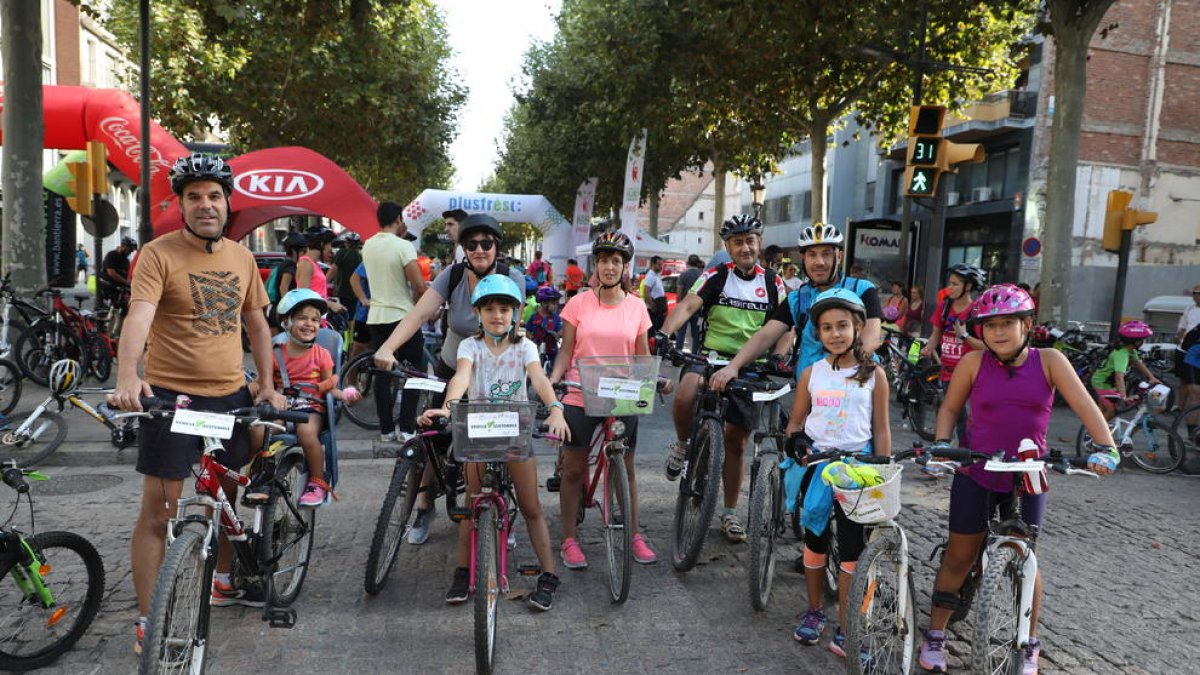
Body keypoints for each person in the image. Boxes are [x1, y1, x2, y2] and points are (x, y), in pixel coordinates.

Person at [108, 153, 285, 655]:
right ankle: (149, 618)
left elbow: (256, 325)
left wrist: (268, 385)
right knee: (159, 512)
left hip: (230, 394)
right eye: (194, 197)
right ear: (180, 204)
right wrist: (128, 377)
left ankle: (225, 577)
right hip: (172, 397)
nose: (205, 205)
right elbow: (139, 317)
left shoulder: (243, 258)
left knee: (223, 494)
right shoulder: (158, 254)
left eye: (213, 195)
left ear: (227, 201)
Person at [918, 284, 1120, 675]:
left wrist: (1106, 447)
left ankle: (1029, 643)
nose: (998, 332)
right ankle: (936, 635)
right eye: (989, 325)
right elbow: (950, 408)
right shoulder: (973, 364)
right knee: (960, 554)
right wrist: (942, 445)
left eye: (1007, 323)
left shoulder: (1050, 361)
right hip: (978, 469)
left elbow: (1085, 405)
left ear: (1027, 325)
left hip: (1029, 473)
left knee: (1026, 557)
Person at [418, 273, 568, 610]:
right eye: (489, 309)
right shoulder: (470, 346)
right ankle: (462, 570)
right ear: (478, 313)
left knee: (531, 507)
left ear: (515, 313)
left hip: (515, 429)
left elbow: (539, 379)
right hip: (479, 430)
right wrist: (445, 406)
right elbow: (461, 376)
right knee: (473, 504)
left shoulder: (525, 346)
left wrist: (555, 409)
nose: (497, 315)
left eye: (504, 309)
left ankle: (548, 573)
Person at [374, 213, 525, 545]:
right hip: (452, 366)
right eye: (472, 244)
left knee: (500, 440)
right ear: (464, 249)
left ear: (497, 247)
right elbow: (419, 313)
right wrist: (387, 347)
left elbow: (514, 331)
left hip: (495, 371)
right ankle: (425, 504)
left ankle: (501, 509)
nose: (480, 249)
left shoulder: (511, 277)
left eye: (487, 243)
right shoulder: (453, 275)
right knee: (433, 436)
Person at [658, 214, 788, 542]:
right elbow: (687, 307)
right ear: (728, 247)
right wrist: (663, 334)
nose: (745, 247)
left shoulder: (773, 282)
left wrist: (779, 357)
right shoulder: (716, 274)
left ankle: (729, 513)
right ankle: (683, 443)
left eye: (750, 241)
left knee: (737, 441)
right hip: (711, 357)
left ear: (758, 243)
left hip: (750, 366)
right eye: (737, 242)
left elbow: (787, 325)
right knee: (686, 391)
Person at [784, 289, 891, 656]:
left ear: (859, 327)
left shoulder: (874, 374)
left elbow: (881, 429)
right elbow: (796, 422)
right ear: (817, 333)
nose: (835, 334)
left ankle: (848, 625)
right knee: (813, 541)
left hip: (857, 471)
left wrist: (883, 468)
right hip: (817, 467)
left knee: (851, 551)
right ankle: (815, 610)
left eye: (842, 325)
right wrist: (795, 441)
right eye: (826, 328)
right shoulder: (812, 373)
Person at [549, 232, 666, 567]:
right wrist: (553, 380)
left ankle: (633, 535)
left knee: (625, 466)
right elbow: (567, 350)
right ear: (596, 265)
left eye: (616, 261)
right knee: (573, 468)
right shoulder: (578, 303)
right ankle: (569, 539)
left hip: (622, 395)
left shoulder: (637, 307)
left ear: (625, 266)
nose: (609, 267)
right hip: (579, 391)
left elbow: (642, 357)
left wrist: (655, 380)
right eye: (603, 260)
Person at [264, 289, 362, 506]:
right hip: (282, 404)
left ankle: (317, 481)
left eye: (315, 320)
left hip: (311, 406)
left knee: (307, 433)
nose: (309, 324)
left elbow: (329, 388)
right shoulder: (274, 352)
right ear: (286, 322)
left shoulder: (322, 354)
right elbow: (264, 382)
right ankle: (261, 471)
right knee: (261, 429)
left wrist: (345, 394)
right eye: (301, 318)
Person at [362, 201, 428, 442]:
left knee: (383, 374)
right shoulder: (403, 246)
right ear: (399, 219)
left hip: (376, 316)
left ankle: (387, 429)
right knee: (414, 372)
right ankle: (407, 428)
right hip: (402, 317)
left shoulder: (367, 245)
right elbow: (419, 286)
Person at [921, 263, 986, 385]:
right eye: (949, 283)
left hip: (969, 377)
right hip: (946, 375)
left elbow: (987, 347)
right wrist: (928, 348)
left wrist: (965, 336)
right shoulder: (944, 307)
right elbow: (936, 334)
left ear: (968, 286)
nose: (949, 287)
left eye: (955, 284)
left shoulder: (977, 312)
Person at [1090, 320, 1161, 421]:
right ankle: (1094, 434)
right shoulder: (1122, 354)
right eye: (1142, 340)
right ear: (1136, 341)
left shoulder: (1130, 350)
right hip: (1102, 384)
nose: (1143, 342)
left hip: (1107, 383)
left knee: (1104, 411)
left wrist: (1151, 378)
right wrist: (1124, 397)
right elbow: (1119, 377)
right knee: (1110, 410)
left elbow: (1138, 363)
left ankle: (1092, 433)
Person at [296, 226, 345, 314]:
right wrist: (330, 304)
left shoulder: (314, 263)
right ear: (322, 244)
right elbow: (304, 296)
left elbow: (315, 292)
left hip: (318, 315)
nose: (331, 249)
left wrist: (327, 300)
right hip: (310, 316)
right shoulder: (306, 263)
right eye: (330, 244)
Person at [266, 231, 309, 331]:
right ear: (294, 250)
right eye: (302, 251)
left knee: (276, 343)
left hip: (274, 308)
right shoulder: (290, 265)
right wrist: (288, 308)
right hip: (280, 309)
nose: (304, 254)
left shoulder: (283, 263)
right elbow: (283, 287)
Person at [1175, 283, 1200, 414]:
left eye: (1199, 294)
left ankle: (1193, 409)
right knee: (1183, 380)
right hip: (1184, 350)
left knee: (1195, 384)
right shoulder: (1190, 309)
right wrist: (1181, 340)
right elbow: (1182, 327)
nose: (1196, 296)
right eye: (1194, 293)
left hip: (1197, 352)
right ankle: (1180, 407)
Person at [673, 254, 705, 352]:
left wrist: (678, 305)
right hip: (697, 308)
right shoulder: (702, 275)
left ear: (688, 263)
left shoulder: (683, 275)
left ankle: (678, 353)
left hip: (684, 308)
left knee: (681, 332)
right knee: (696, 334)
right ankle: (694, 354)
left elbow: (679, 292)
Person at [329, 230, 363, 323]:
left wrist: (324, 282)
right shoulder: (360, 256)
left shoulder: (342, 252)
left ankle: (343, 336)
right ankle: (350, 336)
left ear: (347, 242)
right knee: (351, 318)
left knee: (340, 318)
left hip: (341, 292)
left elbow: (333, 270)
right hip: (355, 293)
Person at [526, 285, 562, 365]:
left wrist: (557, 334)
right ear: (543, 303)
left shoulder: (555, 318)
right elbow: (528, 331)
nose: (555, 306)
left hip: (552, 352)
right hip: (536, 351)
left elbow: (560, 331)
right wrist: (531, 338)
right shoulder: (534, 317)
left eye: (556, 303)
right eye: (553, 303)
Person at [99, 236, 138, 311]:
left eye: (132, 251)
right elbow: (111, 273)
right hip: (108, 288)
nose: (130, 252)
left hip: (119, 290)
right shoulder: (112, 255)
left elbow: (128, 275)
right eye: (129, 250)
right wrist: (126, 283)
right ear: (124, 246)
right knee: (112, 310)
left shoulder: (126, 261)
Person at [642, 255, 667, 332]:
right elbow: (646, 292)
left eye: (661, 264)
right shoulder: (651, 276)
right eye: (659, 264)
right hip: (653, 309)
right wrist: (652, 306)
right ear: (652, 264)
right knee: (651, 332)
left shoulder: (656, 276)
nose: (661, 267)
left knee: (657, 330)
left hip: (658, 308)